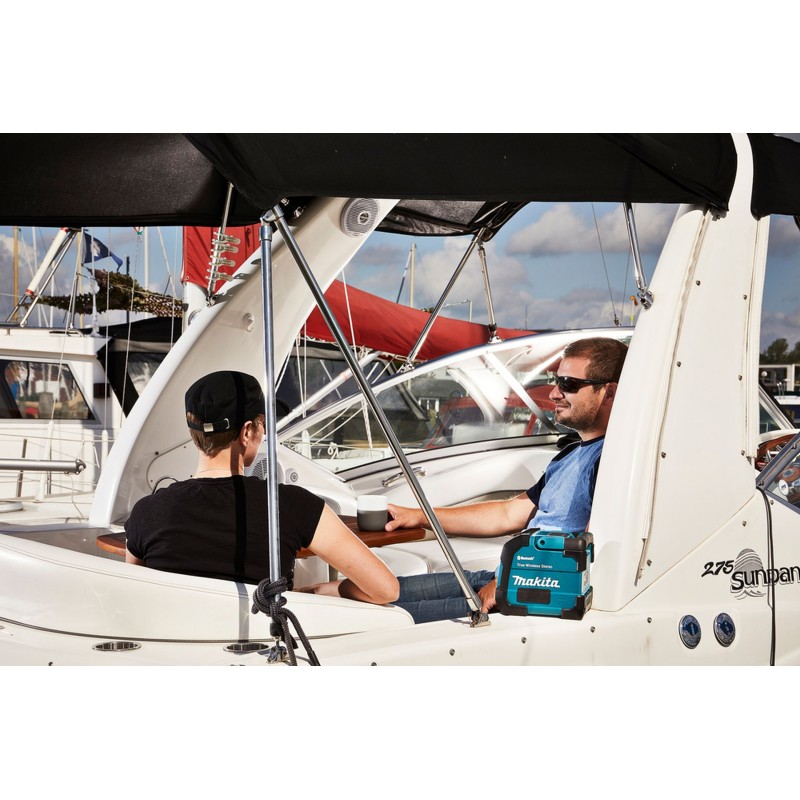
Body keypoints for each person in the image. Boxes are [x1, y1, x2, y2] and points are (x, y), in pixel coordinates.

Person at [382, 336, 628, 623]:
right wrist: (419, 516)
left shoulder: (610, 462)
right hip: (509, 578)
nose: (554, 393)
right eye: (556, 380)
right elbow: (507, 514)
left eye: (568, 384)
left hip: (534, 593)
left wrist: (508, 584)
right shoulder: (569, 456)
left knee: (382, 617)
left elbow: (589, 552)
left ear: (609, 393)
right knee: (369, 590)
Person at [125, 370, 398, 607]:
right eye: (262, 425)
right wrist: (317, 591)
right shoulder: (291, 505)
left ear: (193, 433)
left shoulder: (145, 513)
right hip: (264, 643)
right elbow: (386, 590)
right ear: (247, 432)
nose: (263, 433)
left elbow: (135, 593)